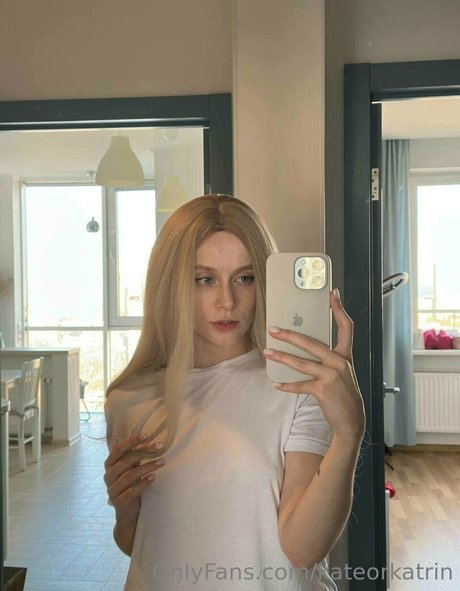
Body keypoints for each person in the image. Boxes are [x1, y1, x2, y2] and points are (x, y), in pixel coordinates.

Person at [103, 194, 365, 591]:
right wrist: (125, 512)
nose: (226, 301)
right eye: (204, 279)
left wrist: (348, 434)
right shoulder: (128, 399)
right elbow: (139, 543)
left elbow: (302, 549)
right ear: (171, 285)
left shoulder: (297, 386)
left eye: (244, 278)